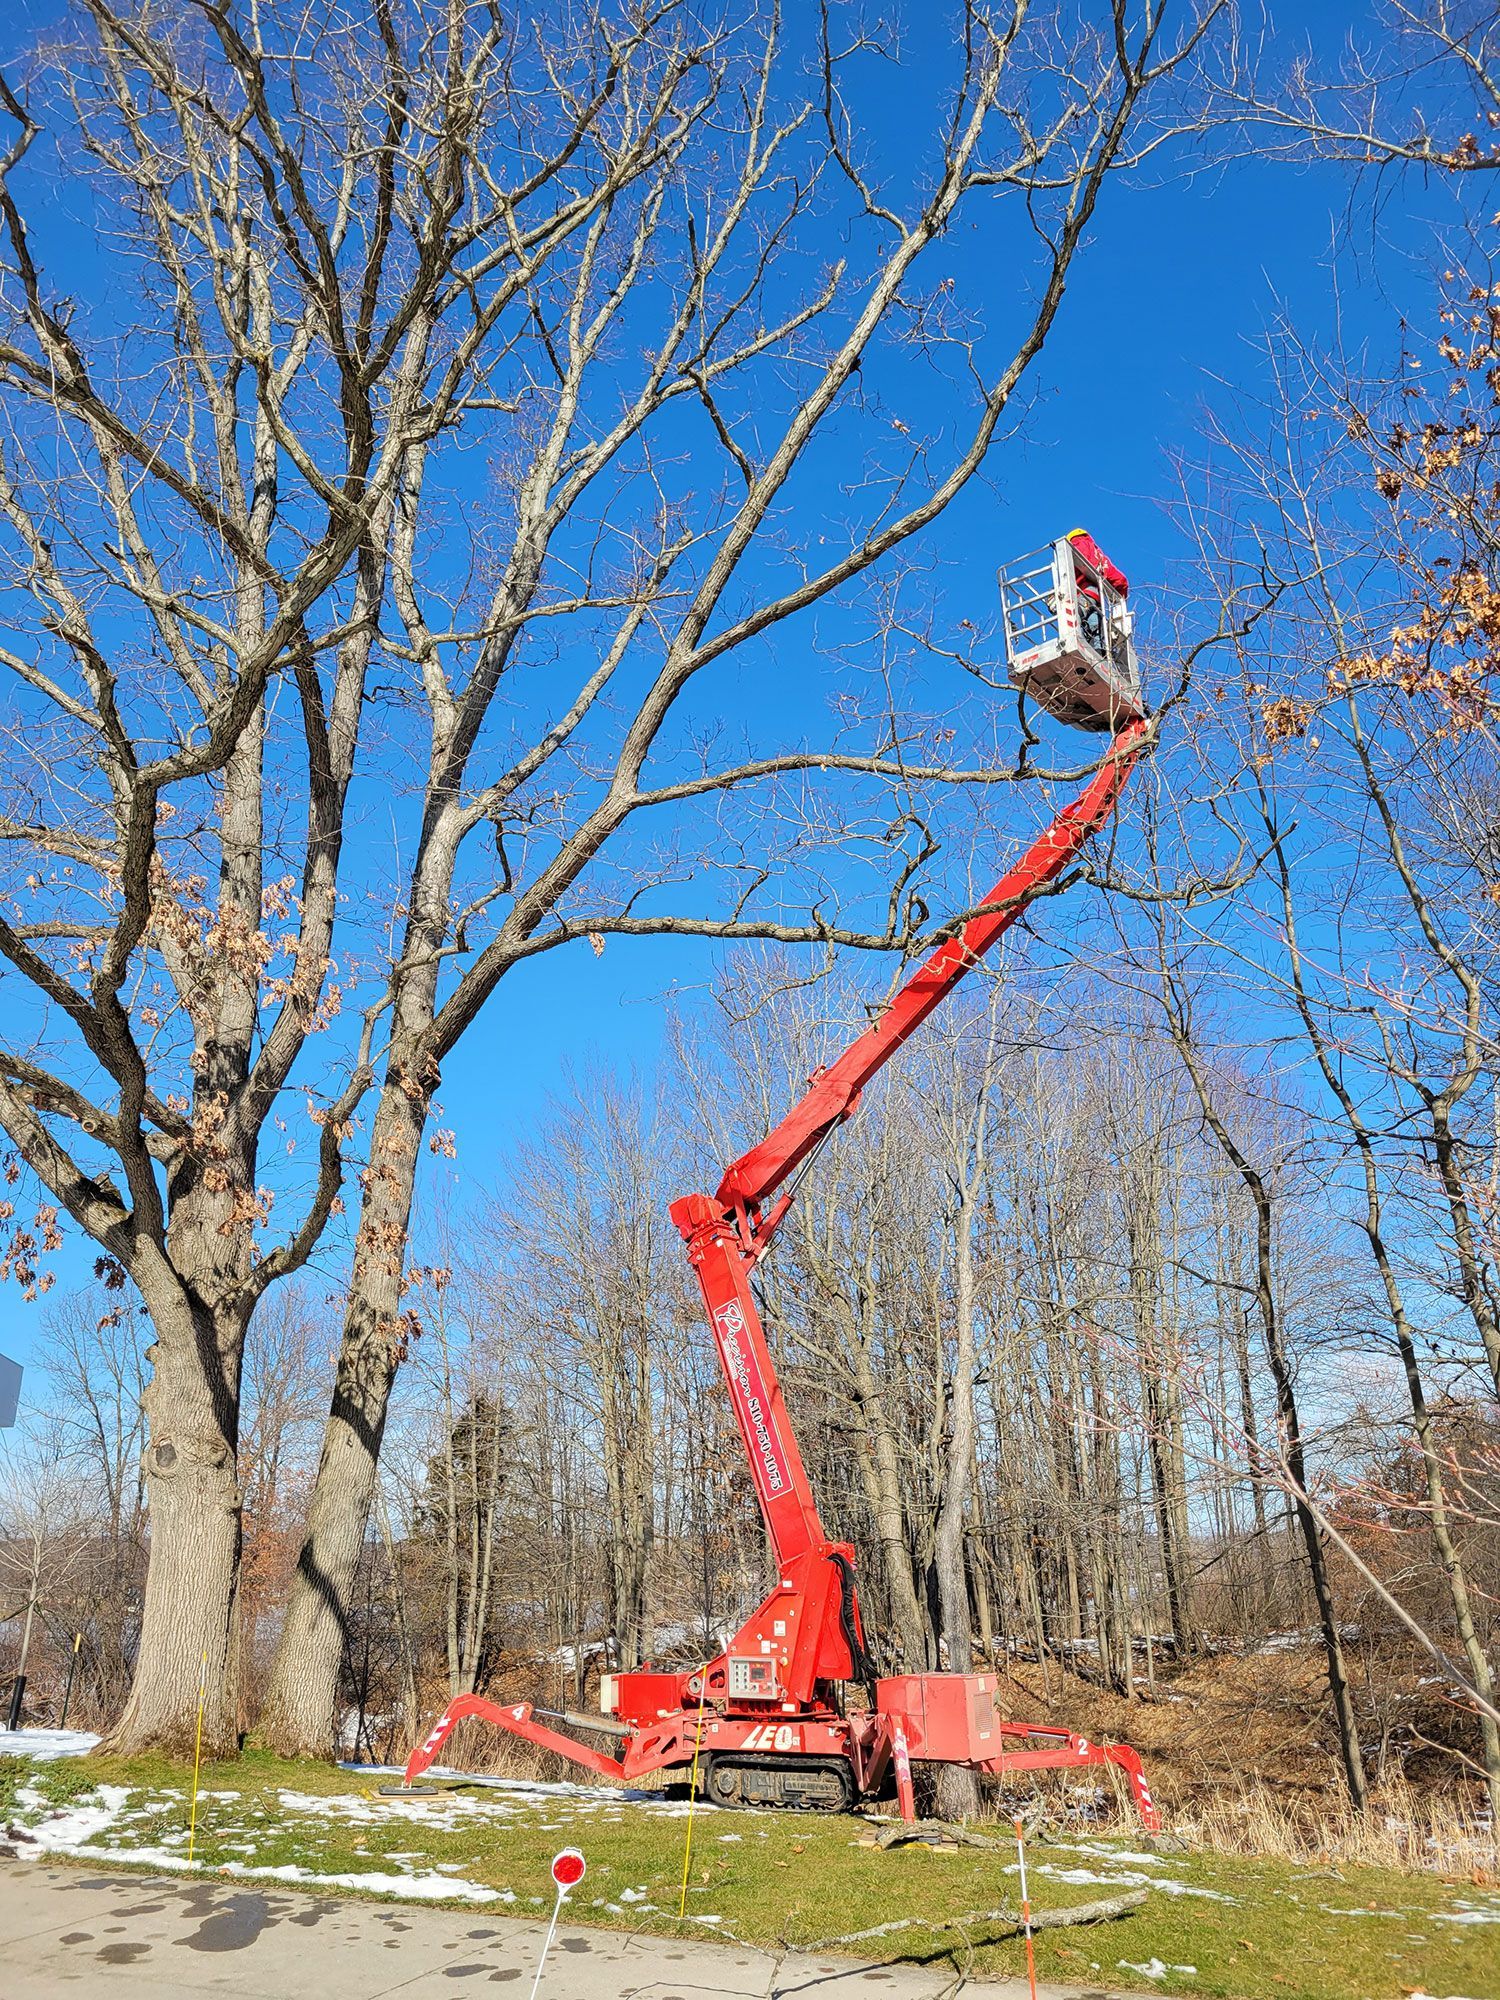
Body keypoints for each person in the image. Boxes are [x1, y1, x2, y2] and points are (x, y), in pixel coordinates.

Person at [1065, 527, 1128, 659]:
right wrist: (1121, 595)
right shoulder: (1100, 557)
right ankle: (1100, 653)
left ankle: (1076, 628)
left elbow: (1081, 560)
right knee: (1095, 625)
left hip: (1083, 592)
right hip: (1096, 598)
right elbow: (1118, 578)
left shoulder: (1074, 546)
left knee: (1079, 615)